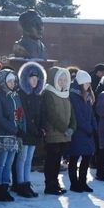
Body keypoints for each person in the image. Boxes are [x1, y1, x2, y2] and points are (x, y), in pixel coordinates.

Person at [41, 67, 75, 195]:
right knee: (51, 161)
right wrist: (64, 128)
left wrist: (72, 127)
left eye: (65, 79)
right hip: (53, 134)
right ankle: (49, 185)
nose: (62, 81)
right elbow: (52, 114)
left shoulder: (65, 93)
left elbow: (72, 114)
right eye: (60, 79)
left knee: (57, 162)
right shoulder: (48, 93)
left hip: (64, 135)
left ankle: (55, 183)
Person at [14, 62, 46, 198]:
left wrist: (41, 128)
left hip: (34, 133)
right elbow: (24, 114)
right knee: (22, 159)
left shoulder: (37, 95)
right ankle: (20, 184)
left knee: (29, 160)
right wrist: (34, 129)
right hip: (25, 132)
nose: (35, 81)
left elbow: (42, 113)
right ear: (26, 78)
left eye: (37, 78)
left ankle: (26, 182)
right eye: (32, 78)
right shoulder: (21, 94)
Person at [0, 69, 20, 202]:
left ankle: (5, 187)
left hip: (13, 135)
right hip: (2, 135)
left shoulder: (15, 96)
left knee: (9, 163)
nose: (12, 83)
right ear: (2, 82)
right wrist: (13, 128)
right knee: (0, 163)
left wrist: (20, 126)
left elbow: (19, 114)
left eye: (14, 81)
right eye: (9, 81)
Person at [67, 70, 97, 192]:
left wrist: (95, 127)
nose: (88, 85)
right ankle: (74, 184)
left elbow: (91, 114)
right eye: (86, 83)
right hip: (78, 133)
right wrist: (88, 128)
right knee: (74, 159)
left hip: (87, 133)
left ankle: (82, 182)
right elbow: (78, 116)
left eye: (89, 83)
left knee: (86, 158)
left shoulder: (87, 96)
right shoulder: (74, 96)